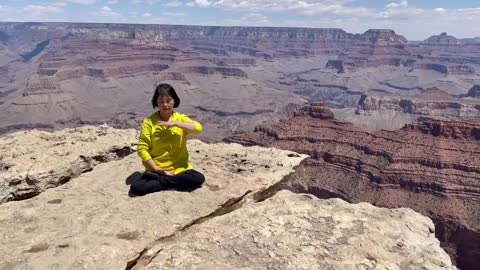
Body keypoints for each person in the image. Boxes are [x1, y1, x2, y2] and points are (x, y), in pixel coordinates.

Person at [130, 83, 205, 196]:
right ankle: (171, 181)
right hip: (157, 170)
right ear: (156, 103)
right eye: (161, 101)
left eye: (168, 100)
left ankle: (162, 182)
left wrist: (176, 124)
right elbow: (142, 148)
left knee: (198, 178)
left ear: (174, 100)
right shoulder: (149, 122)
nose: (165, 105)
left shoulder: (180, 119)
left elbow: (198, 128)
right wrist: (155, 168)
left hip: (179, 169)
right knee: (136, 188)